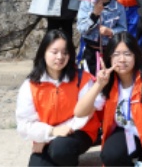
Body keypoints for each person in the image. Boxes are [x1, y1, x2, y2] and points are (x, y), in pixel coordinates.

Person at [73, 31, 142, 166]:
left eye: (127, 54)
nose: (122, 59)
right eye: (116, 54)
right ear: (109, 58)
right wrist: (99, 85)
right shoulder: (109, 82)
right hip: (130, 133)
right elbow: (79, 112)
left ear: (136, 55)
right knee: (111, 154)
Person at [18, 30, 100, 166]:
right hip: (47, 134)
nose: (60, 57)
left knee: (60, 149)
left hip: (79, 131)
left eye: (65, 52)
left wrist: (52, 135)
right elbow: (25, 124)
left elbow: (85, 116)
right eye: (54, 52)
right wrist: (49, 133)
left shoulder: (82, 79)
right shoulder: (30, 85)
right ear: (43, 52)